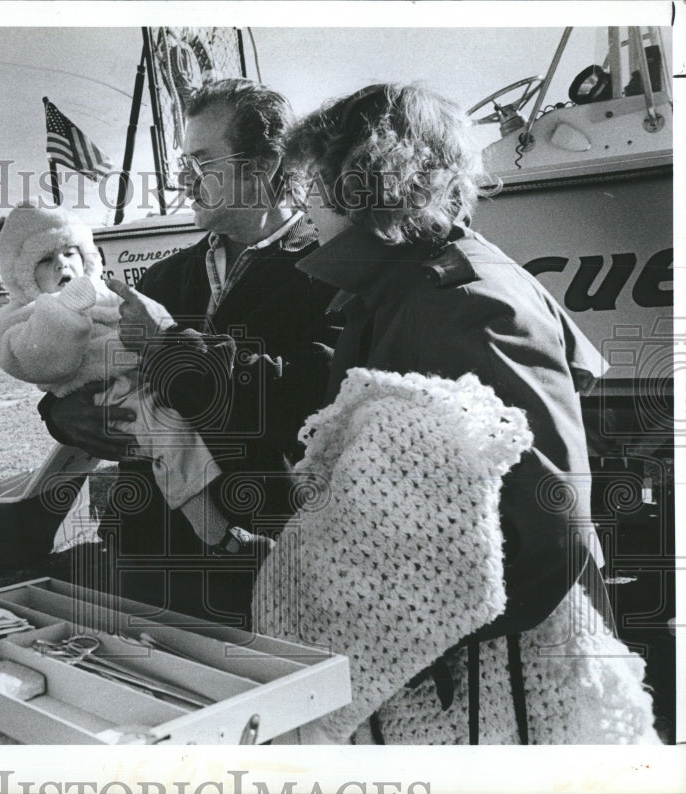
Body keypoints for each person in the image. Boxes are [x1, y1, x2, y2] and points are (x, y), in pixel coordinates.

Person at [252, 83, 660, 743]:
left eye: (313, 187)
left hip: (502, 688)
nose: (304, 210)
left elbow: (553, 531)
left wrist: (418, 641)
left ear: (366, 185)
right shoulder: (413, 287)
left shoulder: (461, 302)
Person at [40, 79, 336, 628]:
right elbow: (79, 371)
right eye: (183, 162)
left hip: (267, 566)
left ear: (264, 164)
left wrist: (169, 347)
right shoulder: (163, 276)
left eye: (202, 161)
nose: (184, 180)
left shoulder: (327, 274)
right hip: (145, 560)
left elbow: (305, 403)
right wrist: (64, 414)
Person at [0, 204, 244, 550]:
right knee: (169, 435)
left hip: (143, 380)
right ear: (22, 276)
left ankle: (212, 515)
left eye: (70, 252)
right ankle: (210, 526)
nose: (62, 264)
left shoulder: (105, 294)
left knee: (175, 436)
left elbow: (144, 321)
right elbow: (40, 361)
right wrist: (64, 316)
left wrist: (160, 341)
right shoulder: (26, 315)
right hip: (108, 393)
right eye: (45, 260)